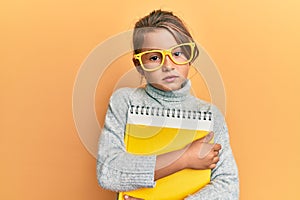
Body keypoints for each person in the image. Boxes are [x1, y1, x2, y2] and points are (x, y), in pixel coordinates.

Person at [97, 10, 239, 200]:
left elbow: (229, 188)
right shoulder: (125, 102)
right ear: (139, 65)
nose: (168, 65)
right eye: (154, 57)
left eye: (177, 53)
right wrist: (185, 158)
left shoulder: (210, 115)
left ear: (189, 56)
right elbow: (108, 172)